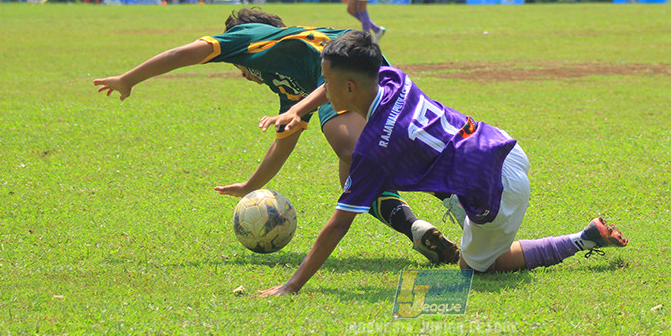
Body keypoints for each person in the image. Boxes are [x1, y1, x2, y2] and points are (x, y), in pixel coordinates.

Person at [257, 31, 628, 297]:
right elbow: (346, 82)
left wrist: (293, 284)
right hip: (503, 145)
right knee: (435, 167)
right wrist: (297, 109)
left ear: (350, 88)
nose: (322, 88)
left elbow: (339, 224)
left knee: (478, 266)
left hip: (499, 189)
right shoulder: (393, 79)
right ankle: (461, 207)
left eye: (326, 82)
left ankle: (583, 238)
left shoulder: (372, 149)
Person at [91, 8, 458, 265]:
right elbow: (285, 140)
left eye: (239, 68)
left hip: (338, 65)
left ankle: (451, 191)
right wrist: (251, 185)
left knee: (354, 152)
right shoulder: (286, 81)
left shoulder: (245, 37)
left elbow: (182, 54)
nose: (242, 74)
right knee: (355, 171)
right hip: (367, 64)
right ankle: (416, 228)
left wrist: (128, 79)